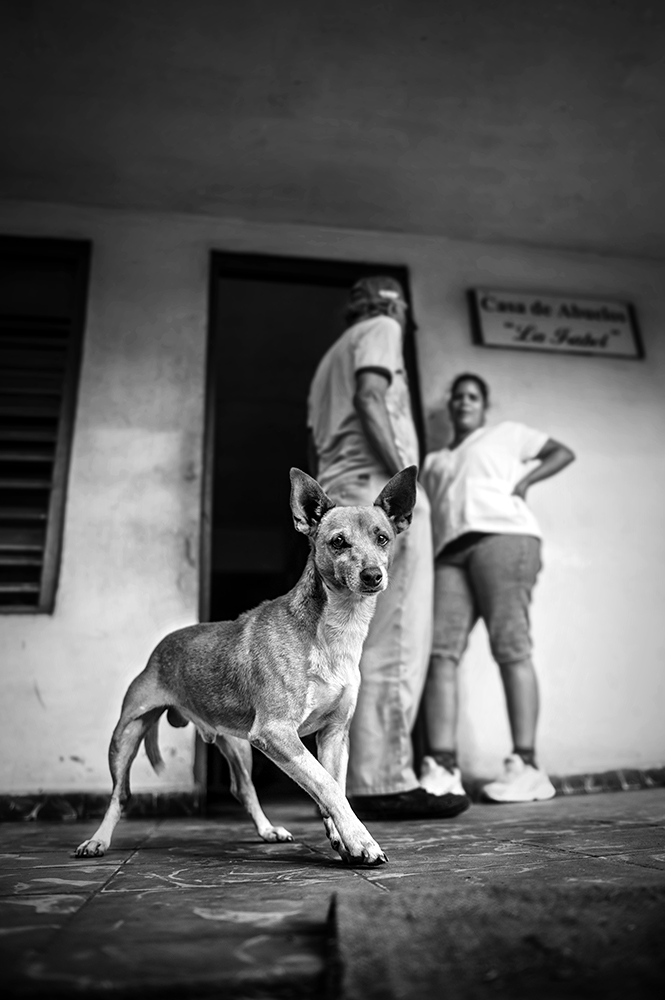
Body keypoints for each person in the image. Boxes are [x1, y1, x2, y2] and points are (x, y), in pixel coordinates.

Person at [307, 276, 469, 820]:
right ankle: (382, 781)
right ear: (392, 305)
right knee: (395, 637)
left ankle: (350, 781)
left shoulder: (328, 359)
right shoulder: (382, 328)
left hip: (341, 498)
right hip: (376, 496)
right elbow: (370, 396)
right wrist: (405, 482)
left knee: (351, 640)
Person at [420, 373, 575, 803]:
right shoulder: (435, 461)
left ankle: (526, 766)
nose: (464, 402)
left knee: (510, 646)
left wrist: (524, 483)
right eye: (458, 397)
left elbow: (562, 452)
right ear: (451, 406)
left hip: (504, 539)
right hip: (449, 552)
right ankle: (442, 767)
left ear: (483, 405)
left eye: (473, 396)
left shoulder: (507, 434)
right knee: (439, 653)